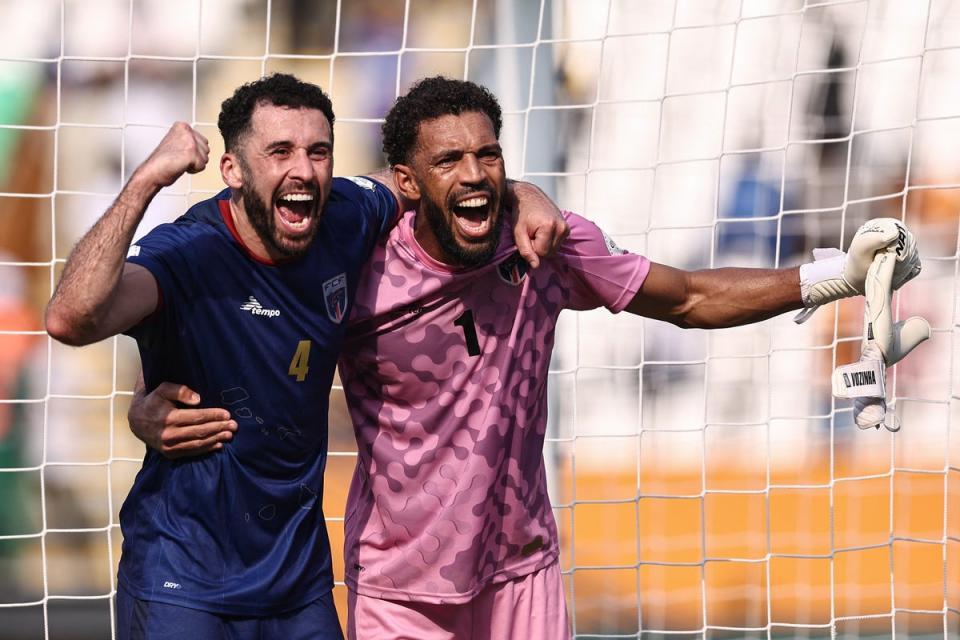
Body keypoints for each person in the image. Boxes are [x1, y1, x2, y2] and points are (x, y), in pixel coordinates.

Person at [128, 77, 923, 639]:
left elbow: (686, 299)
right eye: (449, 162)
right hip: (401, 585)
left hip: (522, 572)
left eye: (488, 155)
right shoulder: (360, 260)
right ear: (406, 183)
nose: (474, 174)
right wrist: (150, 402)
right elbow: (261, 330)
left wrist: (833, 275)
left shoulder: (546, 243)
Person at [43, 73, 567, 639]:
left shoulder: (345, 216)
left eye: (318, 151)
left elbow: (439, 178)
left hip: (298, 583)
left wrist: (522, 192)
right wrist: (145, 180)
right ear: (233, 171)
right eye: (279, 151)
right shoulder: (188, 253)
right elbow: (70, 319)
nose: (304, 169)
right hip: (184, 578)